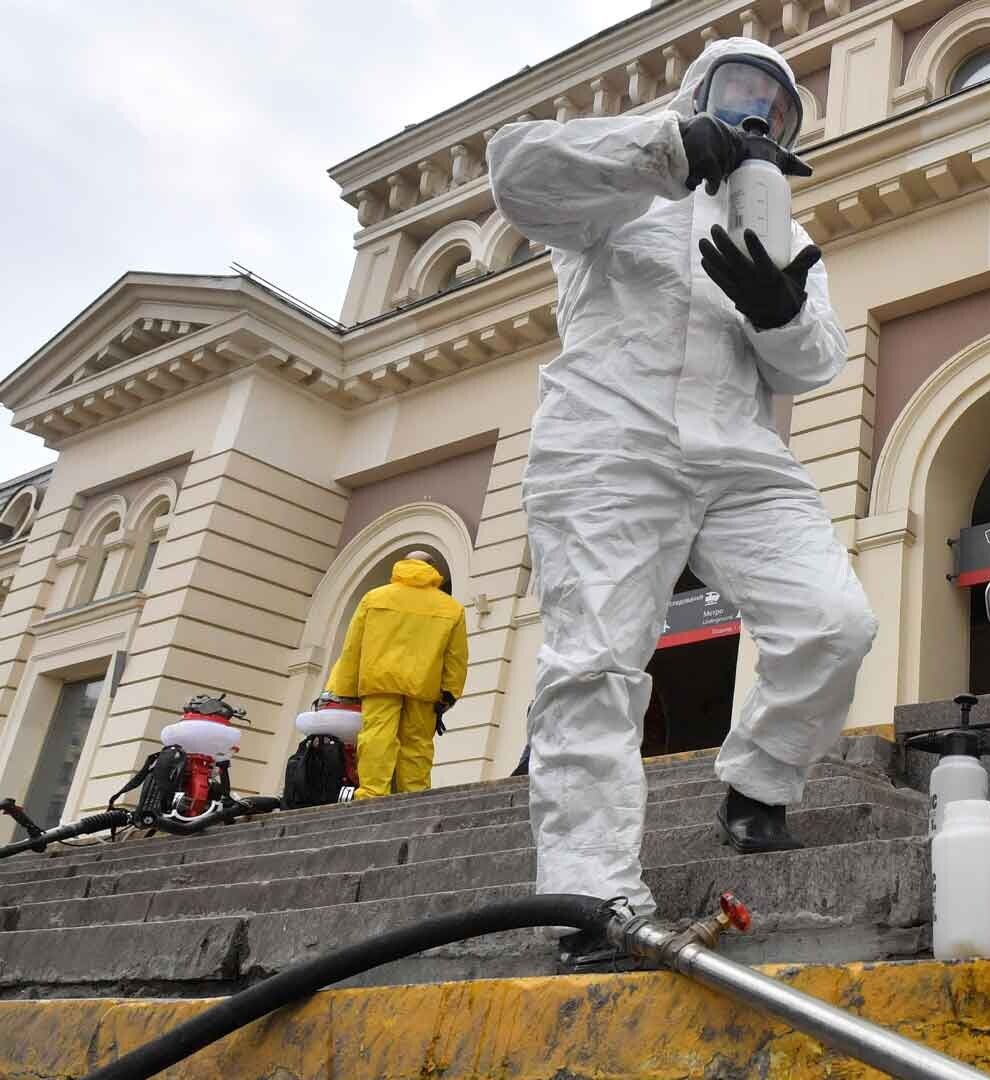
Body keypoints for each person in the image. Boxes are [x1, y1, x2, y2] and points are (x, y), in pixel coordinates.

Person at [487, 37, 877, 960]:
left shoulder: (781, 225)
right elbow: (519, 174)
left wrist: (779, 307)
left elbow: (815, 361)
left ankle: (762, 779)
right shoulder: (626, 181)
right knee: (594, 664)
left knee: (833, 621)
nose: (757, 116)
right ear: (699, 91)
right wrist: (669, 149)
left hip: (737, 449)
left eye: (778, 110)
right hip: (609, 441)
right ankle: (589, 895)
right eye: (741, 94)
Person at [326, 551, 469, 799]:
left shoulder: (374, 598)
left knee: (376, 736)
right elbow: (456, 657)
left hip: (379, 682)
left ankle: (371, 792)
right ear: (434, 570)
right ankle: (413, 794)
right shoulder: (452, 608)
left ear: (402, 564)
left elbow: (353, 647)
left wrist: (345, 689)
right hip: (424, 685)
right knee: (417, 744)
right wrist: (450, 693)